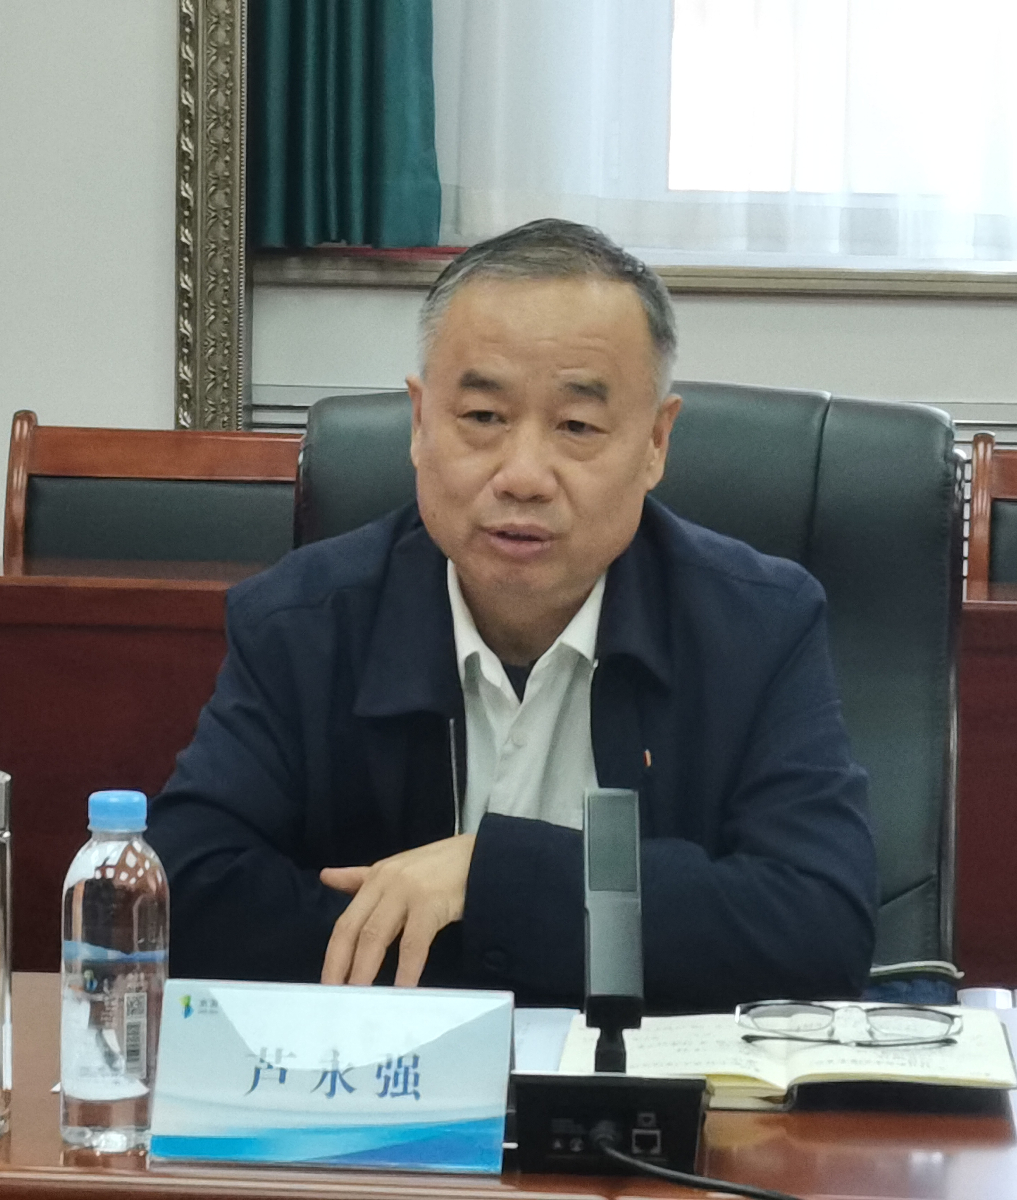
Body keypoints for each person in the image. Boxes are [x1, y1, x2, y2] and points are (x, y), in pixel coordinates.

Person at [148, 218, 878, 1012]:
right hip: (394, 1085)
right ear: (420, 424)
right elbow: (185, 897)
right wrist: (545, 938)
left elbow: (819, 931)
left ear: (655, 444)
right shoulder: (301, 623)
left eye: (577, 426)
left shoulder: (758, 626)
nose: (523, 475)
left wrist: (485, 876)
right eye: (483, 418)